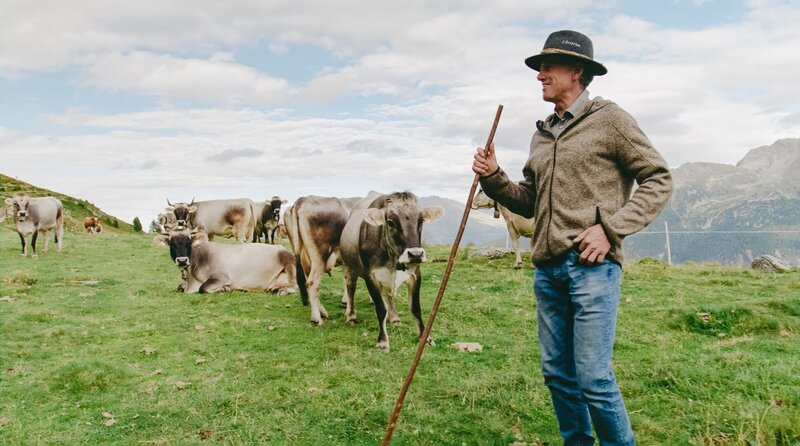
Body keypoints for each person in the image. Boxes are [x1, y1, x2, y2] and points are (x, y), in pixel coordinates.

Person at [472, 30, 672, 445]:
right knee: (558, 375)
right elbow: (527, 202)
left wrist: (610, 229)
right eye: (539, 67)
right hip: (546, 270)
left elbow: (658, 179)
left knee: (594, 377)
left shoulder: (610, 120)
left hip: (591, 269)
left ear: (577, 71)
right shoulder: (541, 134)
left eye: (548, 67)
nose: (539, 75)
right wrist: (493, 177)